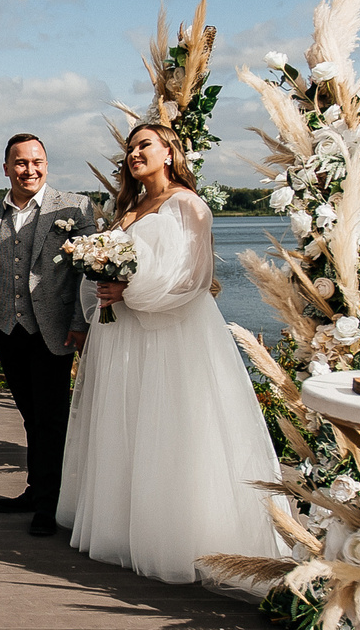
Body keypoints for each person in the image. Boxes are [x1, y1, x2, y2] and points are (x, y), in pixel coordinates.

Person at [57, 123, 279, 580]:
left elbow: (192, 278)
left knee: (170, 426)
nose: (135, 153)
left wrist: (128, 290)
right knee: (127, 424)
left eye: (145, 145)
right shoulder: (131, 207)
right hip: (124, 334)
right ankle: (122, 527)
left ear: (169, 153)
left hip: (168, 332)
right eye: (130, 148)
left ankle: (177, 537)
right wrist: (103, 280)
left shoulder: (189, 205)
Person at [0, 135, 98, 536]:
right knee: (31, 416)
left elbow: (88, 272)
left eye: (37, 161)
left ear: (47, 163)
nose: (30, 169)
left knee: (52, 418)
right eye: (21, 162)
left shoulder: (74, 206)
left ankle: (50, 503)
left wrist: (80, 324)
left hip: (54, 331)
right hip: (7, 330)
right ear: (6, 167)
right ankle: (36, 488)